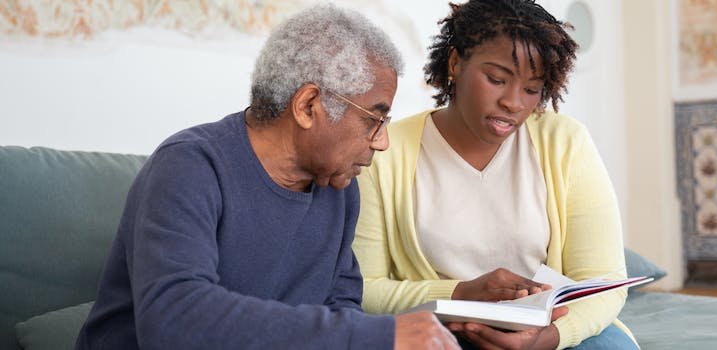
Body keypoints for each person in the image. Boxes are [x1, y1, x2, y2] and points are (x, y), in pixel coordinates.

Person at [75, 4, 460, 350]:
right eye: (374, 119)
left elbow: (341, 307)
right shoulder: (189, 166)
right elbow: (173, 321)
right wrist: (377, 336)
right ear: (308, 105)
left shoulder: (339, 190)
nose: (382, 142)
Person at [353, 0, 637, 349]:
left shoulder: (566, 143)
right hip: (441, 331)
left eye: (532, 89)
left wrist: (548, 339)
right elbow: (363, 286)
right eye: (497, 79)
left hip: (553, 331)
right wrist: (459, 293)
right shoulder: (385, 150)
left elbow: (605, 280)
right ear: (456, 63)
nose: (514, 103)